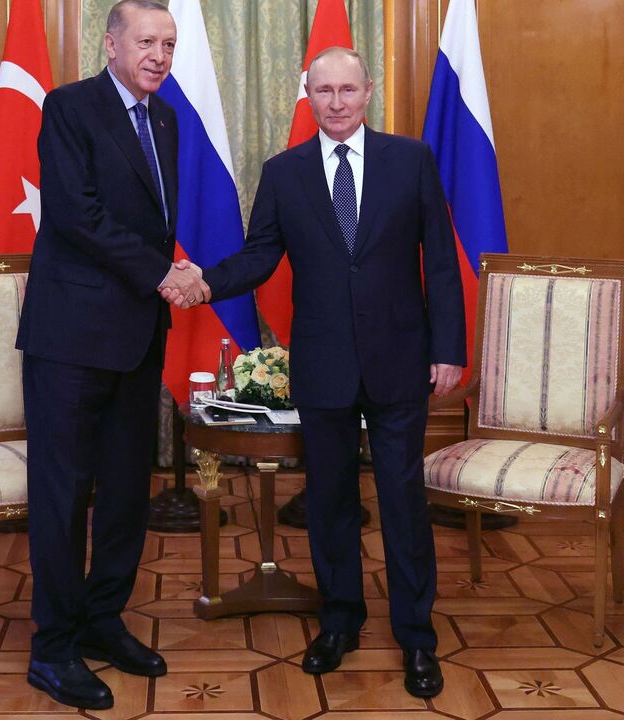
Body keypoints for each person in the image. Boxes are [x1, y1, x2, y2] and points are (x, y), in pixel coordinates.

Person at [164, 46, 465, 698]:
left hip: (399, 361)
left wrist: (449, 350)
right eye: (323, 90)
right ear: (308, 92)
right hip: (324, 365)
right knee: (330, 502)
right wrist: (204, 283)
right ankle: (340, 624)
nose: (335, 102)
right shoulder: (284, 173)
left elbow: (440, 261)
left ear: (369, 92)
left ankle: (417, 638)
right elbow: (260, 256)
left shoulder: (410, 161)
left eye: (347, 90)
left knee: (403, 504)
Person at [15, 0, 208, 710]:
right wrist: (165, 274)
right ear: (112, 42)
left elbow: (156, 227)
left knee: (128, 492)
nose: (160, 54)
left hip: (135, 337)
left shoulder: (167, 119)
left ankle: (102, 620)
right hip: (70, 339)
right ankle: (54, 647)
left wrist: (173, 274)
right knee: (65, 498)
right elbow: (76, 213)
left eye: (169, 43)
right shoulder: (70, 107)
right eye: (147, 41)